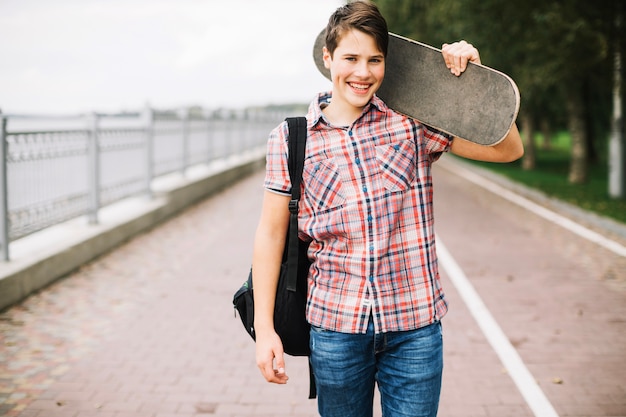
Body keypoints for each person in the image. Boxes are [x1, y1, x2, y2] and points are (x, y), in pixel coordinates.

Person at [251, 1, 523, 416]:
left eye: (374, 60)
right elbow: (271, 236)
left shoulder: (411, 122)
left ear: (386, 63)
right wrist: (265, 330)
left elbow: (508, 149)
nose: (362, 73)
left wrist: (473, 88)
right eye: (351, 58)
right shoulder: (292, 140)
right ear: (327, 58)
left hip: (414, 328)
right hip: (336, 329)